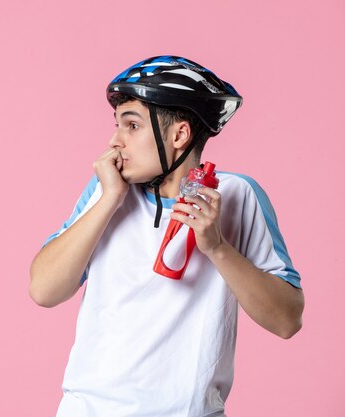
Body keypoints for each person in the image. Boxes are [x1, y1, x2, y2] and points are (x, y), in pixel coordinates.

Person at [29, 56, 304, 417]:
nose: (115, 141)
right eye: (117, 125)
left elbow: (287, 321)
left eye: (131, 126)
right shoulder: (106, 190)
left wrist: (218, 249)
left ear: (179, 135)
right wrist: (110, 199)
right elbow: (43, 291)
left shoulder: (237, 196)